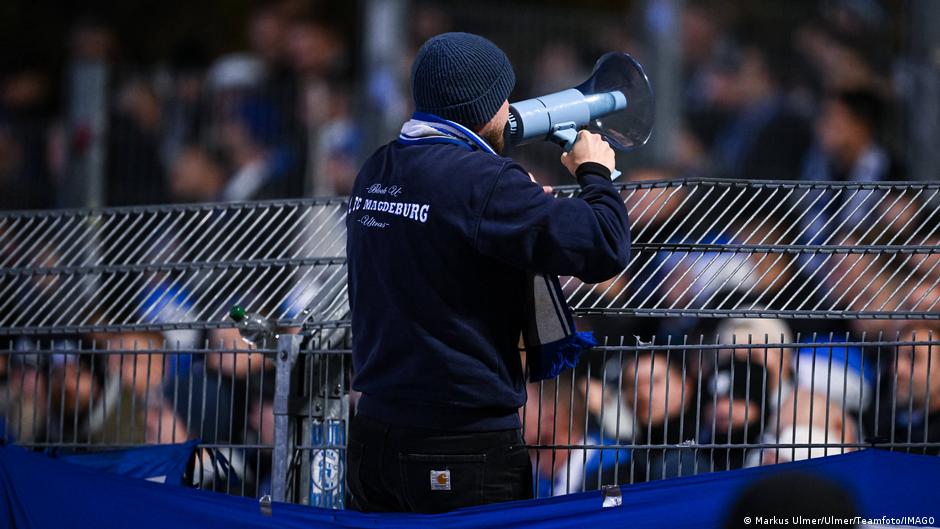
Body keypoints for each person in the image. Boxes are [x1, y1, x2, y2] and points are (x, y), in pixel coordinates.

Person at [345, 32, 630, 513]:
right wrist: (594, 172)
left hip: (374, 431)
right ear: (490, 104)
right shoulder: (484, 181)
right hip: (463, 441)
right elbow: (605, 245)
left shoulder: (378, 167)